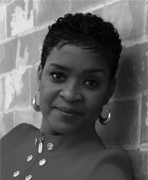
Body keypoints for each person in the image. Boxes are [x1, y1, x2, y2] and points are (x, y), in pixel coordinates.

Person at [1, 13, 132, 180]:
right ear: (40, 77)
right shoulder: (16, 137)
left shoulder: (103, 169)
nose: (70, 95)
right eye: (58, 76)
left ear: (108, 91)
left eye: (91, 82)